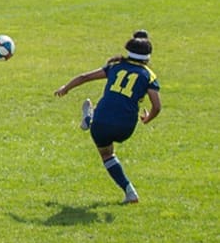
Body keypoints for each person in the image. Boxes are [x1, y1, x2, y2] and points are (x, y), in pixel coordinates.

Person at [54, 30, 161, 204]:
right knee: (110, 144)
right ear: (148, 57)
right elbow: (157, 106)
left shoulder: (115, 66)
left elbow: (85, 77)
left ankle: (129, 190)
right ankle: (90, 117)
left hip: (102, 124)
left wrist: (66, 88)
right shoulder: (148, 75)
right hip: (126, 128)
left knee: (107, 155)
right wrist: (148, 119)